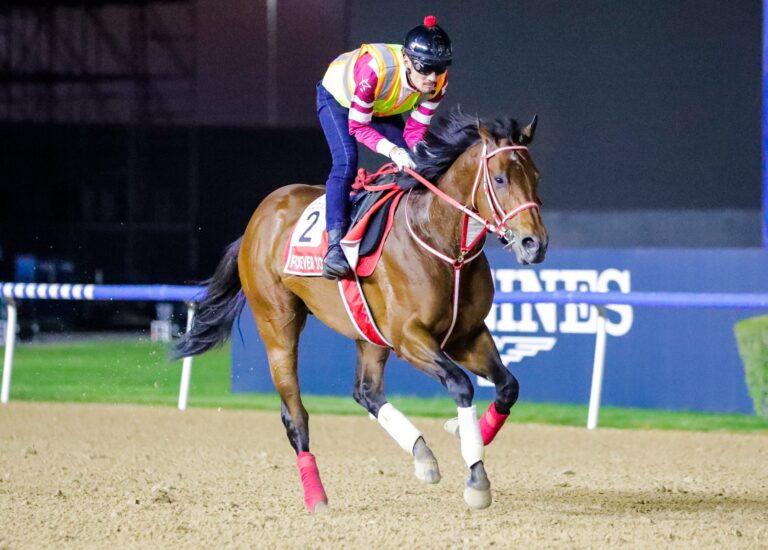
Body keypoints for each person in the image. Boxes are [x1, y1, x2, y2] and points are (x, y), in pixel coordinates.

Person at [316, 15, 452, 279]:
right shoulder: (374, 70)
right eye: (425, 68)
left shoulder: (439, 82)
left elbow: (414, 131)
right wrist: (393, 152)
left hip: (382, 104)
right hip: (339, 99)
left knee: (416, 165)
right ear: (407, 61)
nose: (432, 78)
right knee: (346, 161)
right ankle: (334, 247)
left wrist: (414, 155)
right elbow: (358, 127)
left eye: (439, 68)